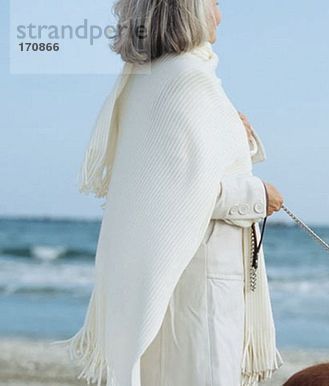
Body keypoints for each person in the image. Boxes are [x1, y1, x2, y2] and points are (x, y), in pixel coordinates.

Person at [57, 0, 285, 385]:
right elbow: (179, 191)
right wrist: (258, 195)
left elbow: (182, 169)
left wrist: (235, 132)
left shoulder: (149, 78)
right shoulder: (186, 78)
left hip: (178, 279)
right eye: (214, 3)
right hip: (200, 288)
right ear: (189, 10)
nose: (220, 15)